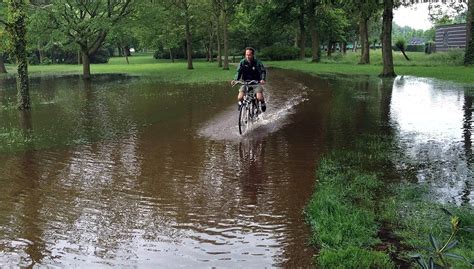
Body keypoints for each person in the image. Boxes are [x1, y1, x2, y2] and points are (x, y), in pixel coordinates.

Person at [232, 47, 267, 112]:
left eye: (249, 55)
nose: (247, 56)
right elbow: (238, 72)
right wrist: (235, 79)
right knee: (240, 97)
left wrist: (262, 79)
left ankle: (262, 103)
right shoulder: (242, 62)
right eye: (246, 54)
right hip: (245, 83)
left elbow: (263, 71)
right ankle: (240, 104)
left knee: (259, 97)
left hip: (256, 83)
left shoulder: (257, 62)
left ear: (252, 55)